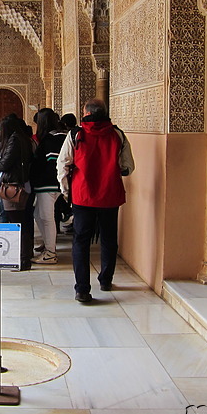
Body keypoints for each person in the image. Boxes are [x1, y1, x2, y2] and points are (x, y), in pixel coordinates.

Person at [57, 99, 135, 302]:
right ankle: (106, 280)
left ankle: (82, 289)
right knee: (109, 239)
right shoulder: (117, 134)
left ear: (86, 113)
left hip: (83, 196)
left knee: (81, 241)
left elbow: (63, 164)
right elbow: (128, 166)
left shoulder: (76, 134)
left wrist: (67, 191)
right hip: (110, 195)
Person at [0, 115, 36, 270]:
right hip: (21, 182)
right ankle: (24, 255)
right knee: (21, 221)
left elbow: (5, 164)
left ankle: (23, 258)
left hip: (13, 185)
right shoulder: (23, 139)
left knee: (16, 223)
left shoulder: (14, 140)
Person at [30, 108, 66, 264]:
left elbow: (53, 162)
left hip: (48, 184)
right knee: (39, 215)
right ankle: (48, 245)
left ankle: (50, 253)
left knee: (46, 217)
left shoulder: (52, 139)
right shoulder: (60, 136)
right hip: (51, 183)